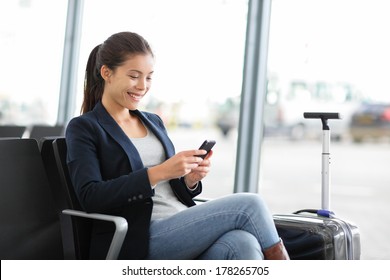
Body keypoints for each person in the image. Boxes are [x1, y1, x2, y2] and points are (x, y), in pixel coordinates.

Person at [65, 31, 290, 260]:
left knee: (243, 243)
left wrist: (189, 181)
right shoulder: (85, 127)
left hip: (181, 226)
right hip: (139, 237)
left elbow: (170, 189)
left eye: (149, 77)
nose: (143, 86)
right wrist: (159, 172)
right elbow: (90, 196)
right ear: (106, 73)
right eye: (134, 76)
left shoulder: (153, 122)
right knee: (250, 205)